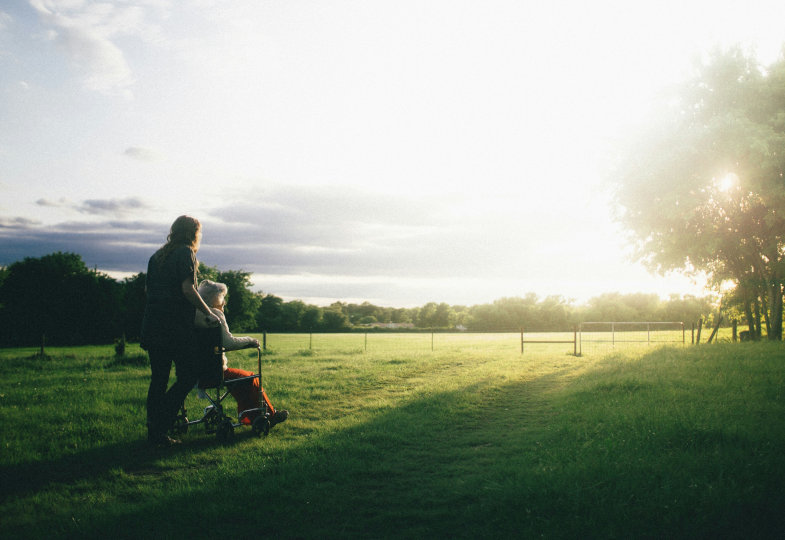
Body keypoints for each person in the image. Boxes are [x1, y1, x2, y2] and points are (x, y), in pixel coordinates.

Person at [140, 215, 221, 446]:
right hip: (174, 329)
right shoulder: (186, 253)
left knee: (159, 379)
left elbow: (149, 290)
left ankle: (154, 431)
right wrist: (208, 312)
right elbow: (188, 289)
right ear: (193, 233)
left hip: (153, 325)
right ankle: (160, 423)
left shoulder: (156, 256)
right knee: (188, 376)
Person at [195, 279, 288, 428]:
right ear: (215, 299)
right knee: (250, 378)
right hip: (215, 371)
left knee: (240, 380)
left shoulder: (194, 314)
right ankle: (269, 414)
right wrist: (250, 340)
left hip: (195, 372)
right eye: (222, 298)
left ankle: (250, 416)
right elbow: (229, 343)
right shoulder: (215, 314)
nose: (224, 303)